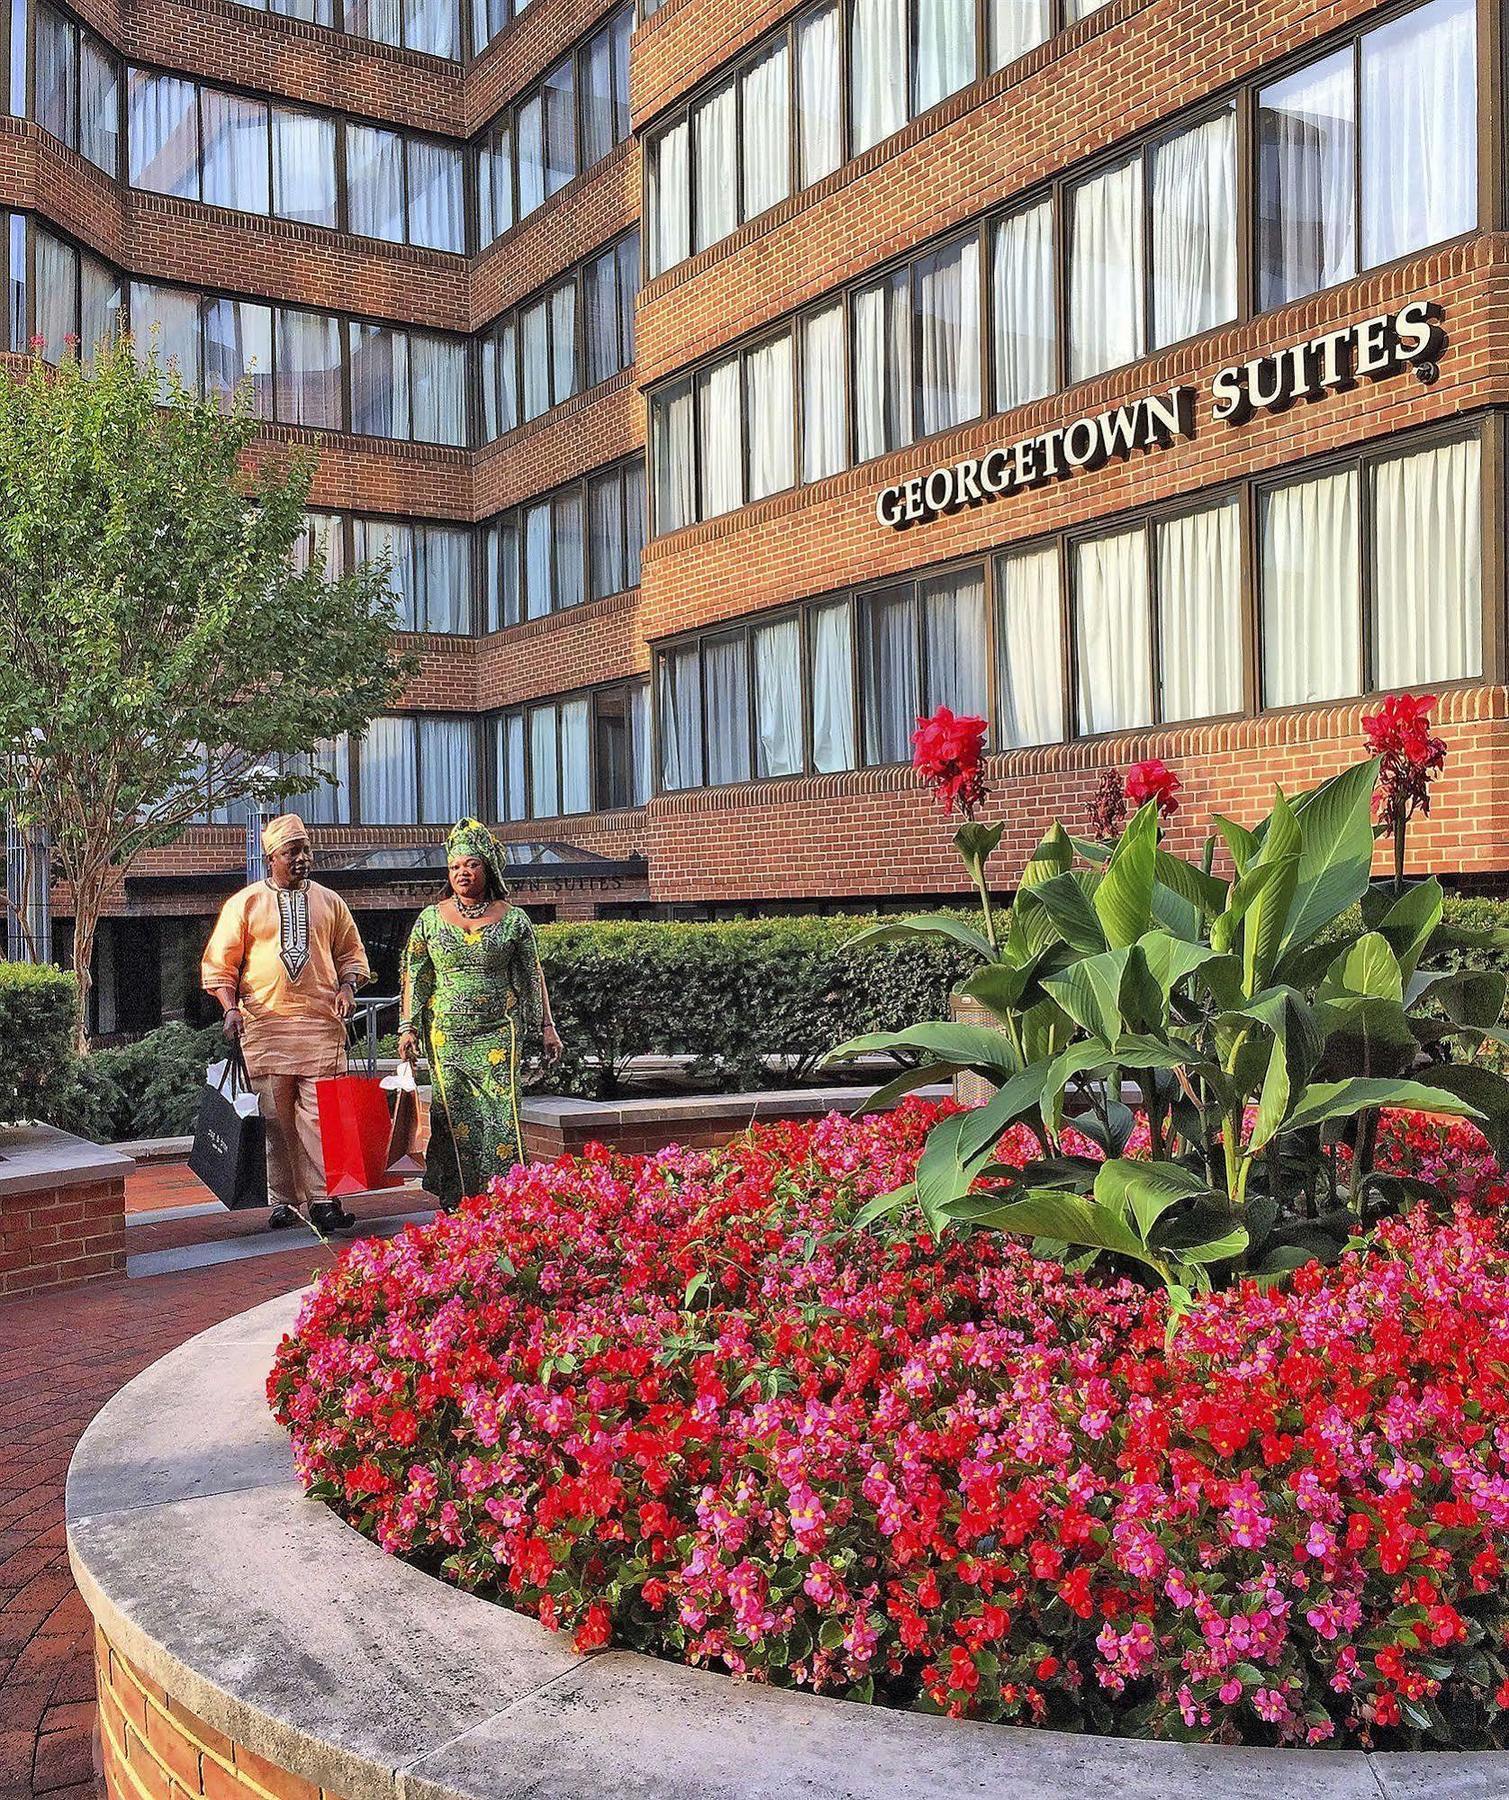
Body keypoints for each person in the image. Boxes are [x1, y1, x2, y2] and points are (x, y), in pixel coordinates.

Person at [201, 813, 371, 1234]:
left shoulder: (330, 902)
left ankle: (325, 1200)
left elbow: (351, 954)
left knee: (321, 1117)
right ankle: (284, 1202)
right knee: (276, 1121)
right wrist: (229, 1007)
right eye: (292, 852)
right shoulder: (246, 902)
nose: (302, 859)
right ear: (270, 857)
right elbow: (221, 964)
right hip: (264, 1025)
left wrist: (348, 988)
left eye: (306, 850)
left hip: (320, 1023)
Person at [396, 818, 562, 1211]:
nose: (462, 873)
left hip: (498, 1034)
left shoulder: (514, 920)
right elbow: (415, 975)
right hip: (447, 1036)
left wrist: (547, 1027)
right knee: (454, 1115)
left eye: (471, 864)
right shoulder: (430, 920)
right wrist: (408, 1027)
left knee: (500, 1114)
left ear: (487, 867)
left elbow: (530, 974)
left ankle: (504, 1196)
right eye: (454, 867)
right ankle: (457, 1197)